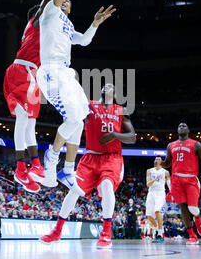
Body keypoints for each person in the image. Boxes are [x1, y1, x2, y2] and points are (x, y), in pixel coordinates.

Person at [33, 0, 116, 193]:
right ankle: (51, 159)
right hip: (51, 72)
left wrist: (95, 24)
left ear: (71, 9)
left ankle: (66, 170)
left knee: (80, 120)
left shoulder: (67, 25)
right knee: (73, 117)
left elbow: (84, 41)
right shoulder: (50, 12)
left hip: (65, 75)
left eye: (68, 1)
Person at [3, 0, 70, 193]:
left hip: (29, 74)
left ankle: (32, 165)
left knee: (29, 123)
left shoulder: (54, 32)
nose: (61, 5)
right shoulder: (41, 18)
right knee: (24, 120)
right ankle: (21, 167)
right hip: (24, 71)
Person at [39, 83, 136, 248]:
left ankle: (106, 233)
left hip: (111, 158)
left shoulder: (121, 110)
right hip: (90, 157)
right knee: (73, 191)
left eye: (111, 85)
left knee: (106, 185)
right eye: (104, 85)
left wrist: (114, 135)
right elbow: (72, 110)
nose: (107, 86)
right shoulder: (89, 105)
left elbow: (132, 137)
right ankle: (57, 231)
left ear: (116, 94)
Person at [161, 122, 201, 245]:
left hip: (190, 179)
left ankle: (198, 218)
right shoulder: (171, 145)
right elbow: (167, 163)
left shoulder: (196, 144)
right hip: (176, 179)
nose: (182, 126)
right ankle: (192, 235)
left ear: (188, 130)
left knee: (192, 208)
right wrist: (161, 163)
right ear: (177, 129)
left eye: (184, 125)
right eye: (180, 125)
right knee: (183, 207)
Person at [145, 156, 170, 243]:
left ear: (161, 162)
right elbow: (148, 184)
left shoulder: (165, 172)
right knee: (149, 215)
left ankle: (159, 233)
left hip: (160, 193)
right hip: (151, 192)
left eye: (158, 159)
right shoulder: (149, 171)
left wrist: (172, 193)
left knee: (157, 211)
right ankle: (156, 228)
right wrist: (155, 179)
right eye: (155, 159)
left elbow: (169, 184)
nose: (156, 160)